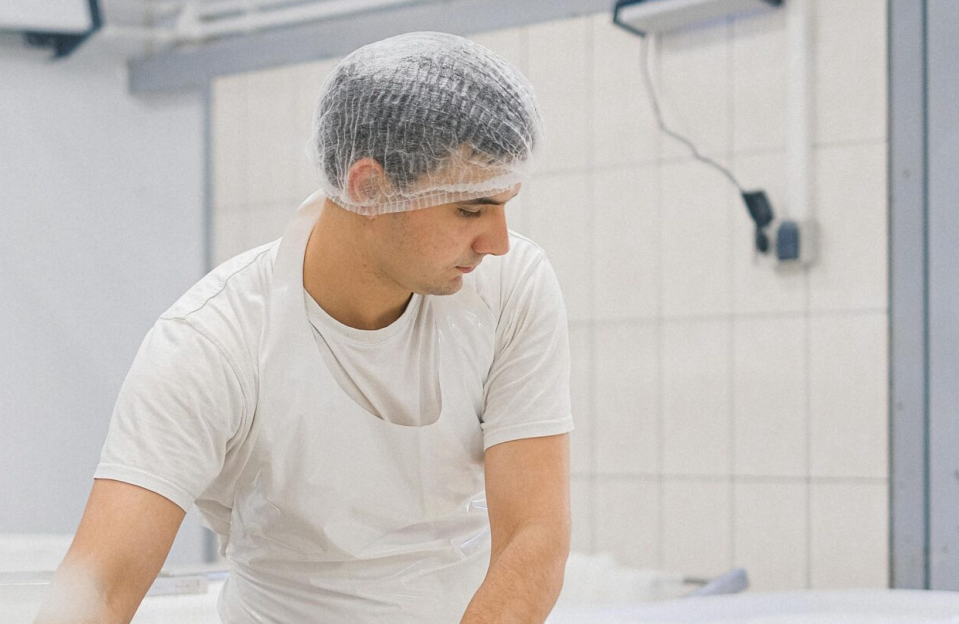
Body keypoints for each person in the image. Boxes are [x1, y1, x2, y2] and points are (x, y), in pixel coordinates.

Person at [36, 31, 573, 624]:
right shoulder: (213, 341)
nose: (496, 242)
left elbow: (534, 535)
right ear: (369, 188)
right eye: (469, 210)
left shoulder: (511, 287)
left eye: (503, 207)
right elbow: (101, 585)